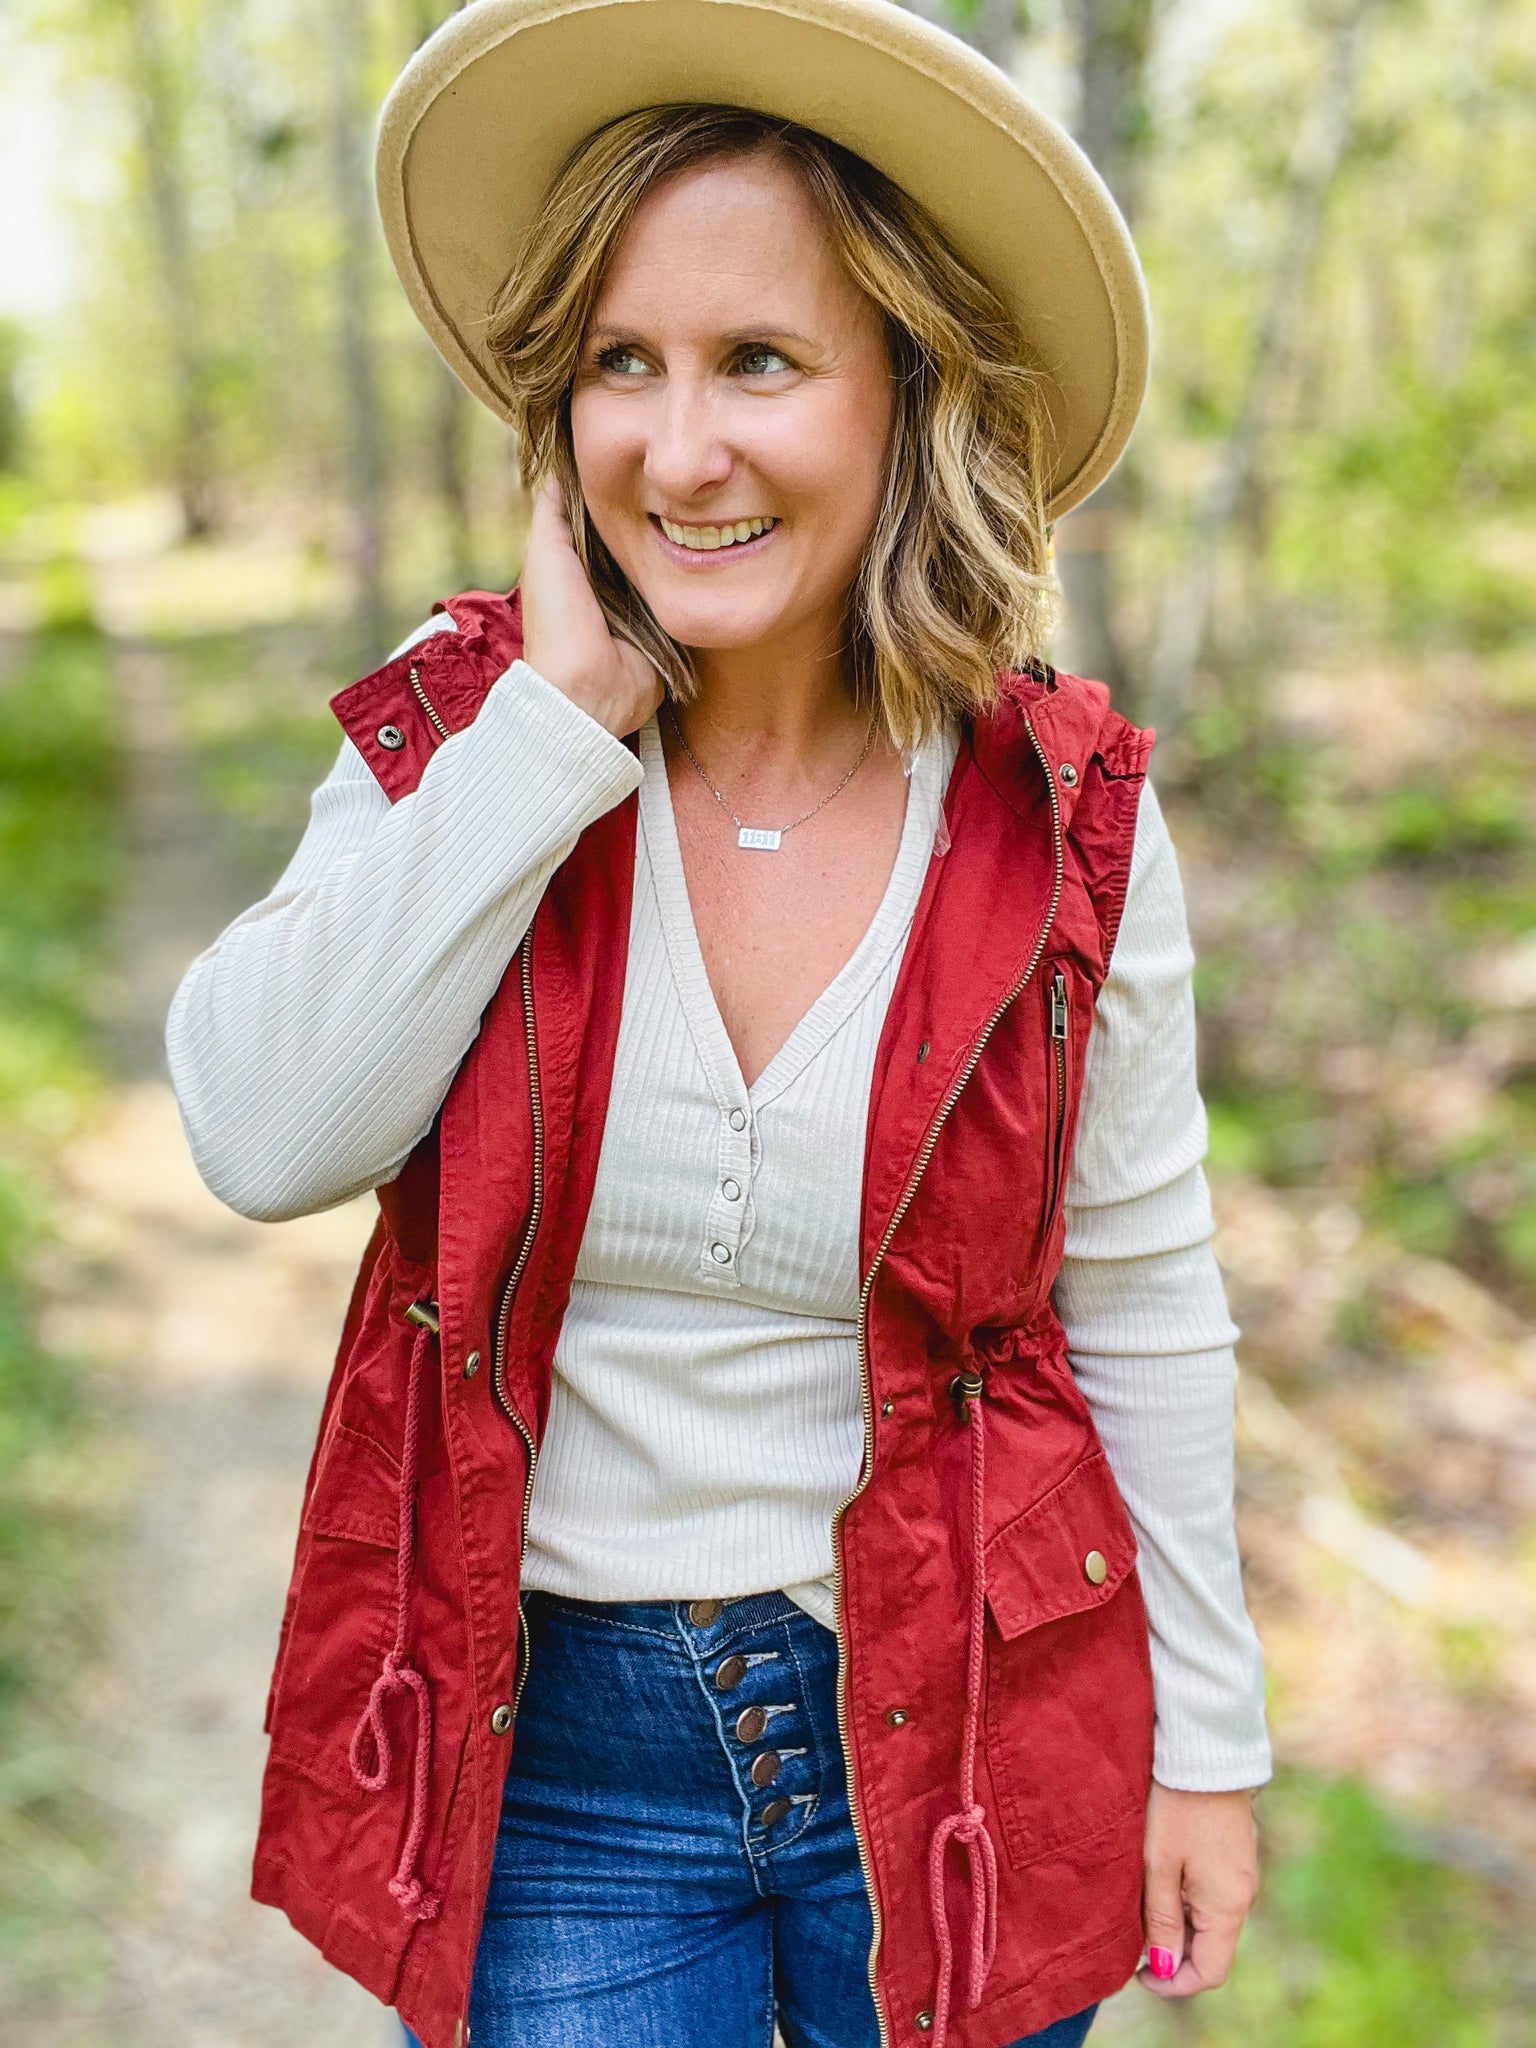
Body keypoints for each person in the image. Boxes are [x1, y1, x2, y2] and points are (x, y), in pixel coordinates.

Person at [167, 3, 1271, 2045]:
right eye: (622, 363)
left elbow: (1142, 1295)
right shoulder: (475, 729)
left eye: (760, 359)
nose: (680, 453)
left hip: (966, 1717)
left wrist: (1208, 1741)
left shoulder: (1059, 815)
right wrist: (553, 733)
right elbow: (259, 1131)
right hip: (558, 1759)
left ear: (909, 391)